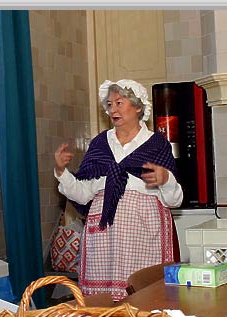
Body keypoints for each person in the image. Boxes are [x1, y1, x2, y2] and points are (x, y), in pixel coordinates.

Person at [54, 79, 184, 302]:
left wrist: (165, 179)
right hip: (103, 235)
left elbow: (175, 200)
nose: (112, 109)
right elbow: (84, 194)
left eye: (119, 103)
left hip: (145, 233)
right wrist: (61, 171)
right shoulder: (99, 145)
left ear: (138, 106)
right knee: (103, 305)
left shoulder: (156, 144)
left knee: (144, 297)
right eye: (110, 104)